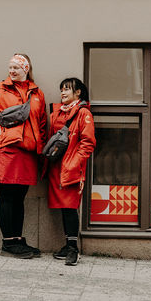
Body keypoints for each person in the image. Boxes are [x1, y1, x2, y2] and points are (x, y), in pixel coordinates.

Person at [0, 53, 48, 259]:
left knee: (19, 197)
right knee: (7, 195)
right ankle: (8, 243)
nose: (12, 71)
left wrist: (41, 148)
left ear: (26, 69)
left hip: (28, 153)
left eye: (16, 67)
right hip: (7, 150)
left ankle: (17, 240)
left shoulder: (37, 93)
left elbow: (41, 123)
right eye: (10, 67)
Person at [45, 77, 96, 266]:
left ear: (78, 92)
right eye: (61, 90)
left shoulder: (83, 113)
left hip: (71, 168)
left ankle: (73, 249)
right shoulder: (58, 112)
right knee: (64, 207)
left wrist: (75, 163)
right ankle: (68, 245)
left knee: (70, 207)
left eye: (67, 89)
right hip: (56, 168)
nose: (63, 93)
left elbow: (88, 143)